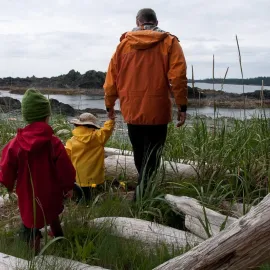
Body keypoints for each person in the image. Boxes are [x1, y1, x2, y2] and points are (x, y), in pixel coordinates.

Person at [103, 8, 188, 199]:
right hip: (158, 111)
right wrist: (182, 106)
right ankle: (142, 197)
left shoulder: (123, 46)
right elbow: (178, 77)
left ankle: (142, 193)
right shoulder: (169, 43)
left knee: (139, 155)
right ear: (156, 22)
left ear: (137, 21)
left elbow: (111, 80)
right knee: (153, 157)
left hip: (131, 110)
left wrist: (109, 106)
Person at [0, 89, 76, 254]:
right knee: (52, 213)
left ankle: (35, 255)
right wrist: (68, 186)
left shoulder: (15, 144)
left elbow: (6, 167)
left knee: (30, 223)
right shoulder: (53, 143)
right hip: (51, 192)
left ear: (26, 116)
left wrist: (8, 184)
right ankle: (59, 237)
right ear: (47, 117)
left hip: (28, 194)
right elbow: (65, 168)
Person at [65, 113, 115, 203]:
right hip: (94, 175)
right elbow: (107, 129)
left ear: (77, 125)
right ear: (92, 126)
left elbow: (66, 156)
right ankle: (87, 204)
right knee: (90, 193)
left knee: (82, 193)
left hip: (78, 175)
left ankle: (81, 203)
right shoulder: (98, 137)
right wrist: (111, 120)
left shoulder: (72, 140)